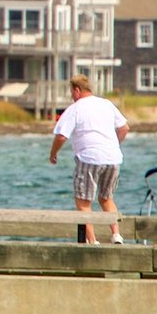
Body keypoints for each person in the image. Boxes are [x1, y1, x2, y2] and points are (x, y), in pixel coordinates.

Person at [48, 74, 130, 244]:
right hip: (112, 157)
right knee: (106, 198)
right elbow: (124, 128)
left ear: (77, 90)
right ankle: (116, 235)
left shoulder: (75, 108)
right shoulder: (106, 104)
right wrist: (115, 144)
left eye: (72, 92)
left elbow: (61, 136)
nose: (72, 96)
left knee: (83, 202)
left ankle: (92, 241)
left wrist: (53, 154)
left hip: (89, 158)